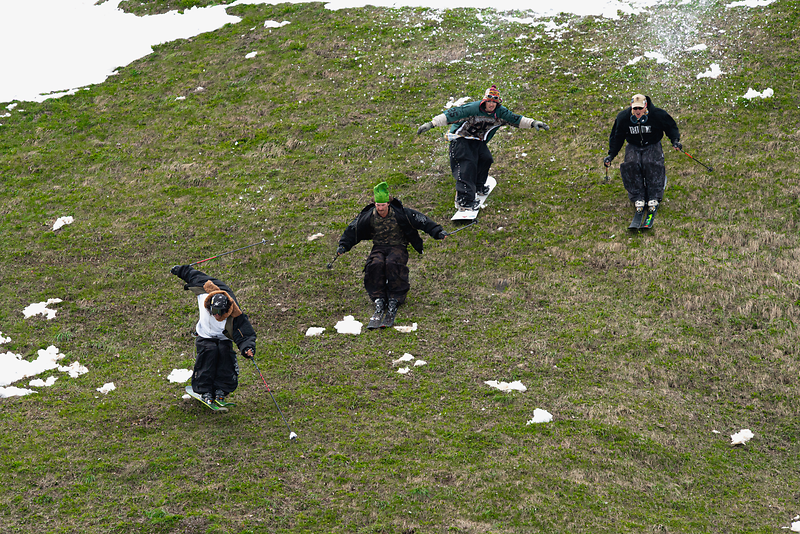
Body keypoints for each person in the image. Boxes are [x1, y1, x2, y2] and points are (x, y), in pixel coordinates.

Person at [416, 84, 549, 210]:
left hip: (477, 141)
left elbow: (516, 119)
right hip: (460, 139)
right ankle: (463, 200)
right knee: (467, 166)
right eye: (489, 101)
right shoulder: (472, 109)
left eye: (494, 102)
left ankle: (478, 186)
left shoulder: (501, 113)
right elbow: (451, 114)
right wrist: (432, 124)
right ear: (484, 101)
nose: (491, 105)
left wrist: (533, 123)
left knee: (486, 159)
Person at [336, 182, 446, 329]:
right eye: (378, 205)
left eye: (383, 205)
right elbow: (352, 230)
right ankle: (378, 297)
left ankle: (396, 297)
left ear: (388, 203)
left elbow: (422, 220)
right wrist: (343, 245)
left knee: (393, 264)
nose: (380, 208)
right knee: (375, 264)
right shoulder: (367, 216)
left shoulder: (401, 213)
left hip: (398, 246)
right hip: (379, 246)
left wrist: (438, 232)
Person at [171, 264, 256, 406]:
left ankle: (221, 390)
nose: (216, 315)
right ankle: (205, 390)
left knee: (224, 356)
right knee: (209, 353)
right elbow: (194, 275)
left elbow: (245, 333)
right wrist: (180, 270)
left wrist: (248, 348)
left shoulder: (235, 312)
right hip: (205, 335)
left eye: (220, 313)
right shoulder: (205, 293)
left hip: (223, 338)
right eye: (214, 311)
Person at [604, 93, 681, 214]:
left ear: (645, 106)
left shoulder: (657, 114)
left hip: (652, 144)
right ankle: (638, 196)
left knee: (650, 163)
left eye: (640, 108)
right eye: (635, 108)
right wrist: (611, 155)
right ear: (631, 106)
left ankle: (654, 195)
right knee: (631, 164)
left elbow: (670, 127)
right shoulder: (623, 117)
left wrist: (675, 141)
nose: (638, 111)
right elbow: (617, 137)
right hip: (633, 145)